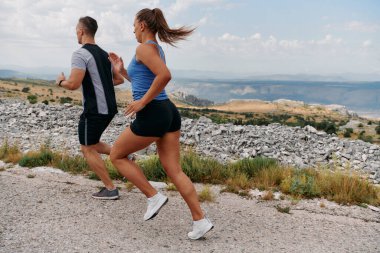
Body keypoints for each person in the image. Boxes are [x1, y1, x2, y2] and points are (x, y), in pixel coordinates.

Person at [109, 8, 214, 240]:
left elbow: (165, 76)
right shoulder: (155, 49)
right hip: (168, 111)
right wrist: (122, 71)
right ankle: (200, 221)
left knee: (116, 155)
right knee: (174, 170)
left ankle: (153, 196)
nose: (133, 29)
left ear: (143, 26)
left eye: (134, 25)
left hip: (153, 112)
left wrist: (141, 103)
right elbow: (145, 79)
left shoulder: (143, 48)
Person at [56, 16, 125, 200]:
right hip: (110, 108)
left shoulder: (80, 54)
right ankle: (123, 154)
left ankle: (110, 188)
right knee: (92, 142)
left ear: (81, 31)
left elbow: (73, 84)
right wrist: (101, 83)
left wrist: (61, 81)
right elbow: (118, 80)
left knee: (86, 147)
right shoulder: (104, 54)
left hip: (95, 109)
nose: (76, 34)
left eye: (76, 31)